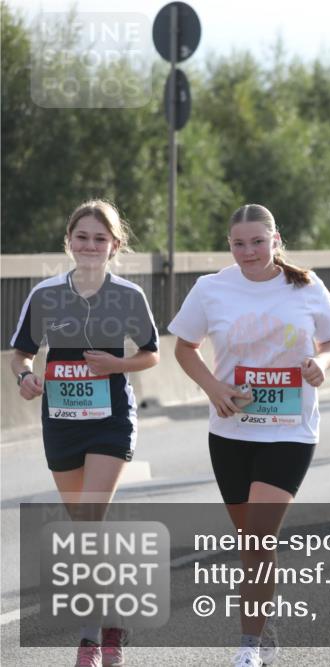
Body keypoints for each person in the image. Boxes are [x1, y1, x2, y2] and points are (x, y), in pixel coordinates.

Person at [170, 204, 330, 667]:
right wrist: (213, 387)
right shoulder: (211, 289)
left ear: (275, 240)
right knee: (250, 544)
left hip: (290, 431)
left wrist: (321, 364)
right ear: (229, 244)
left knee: (258, 539)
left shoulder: (306, 286)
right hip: (230, 430)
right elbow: (184, 347)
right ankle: (264, 627)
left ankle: (248, 645)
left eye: (257, 241)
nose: (248, 251)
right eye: (238, 243)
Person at [9, 200, 159, 667]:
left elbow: (151, 353)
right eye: (82, 237)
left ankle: (91, 639)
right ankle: (114, 618)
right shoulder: (46, 294)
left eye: (100, 238)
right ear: (69, 241)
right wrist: (25, 379)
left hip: (111, 418)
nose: (90, 245)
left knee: (90, 521)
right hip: (61, 421)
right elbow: (20, 355)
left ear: (115, 245)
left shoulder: (128, 295)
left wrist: (117, 364)